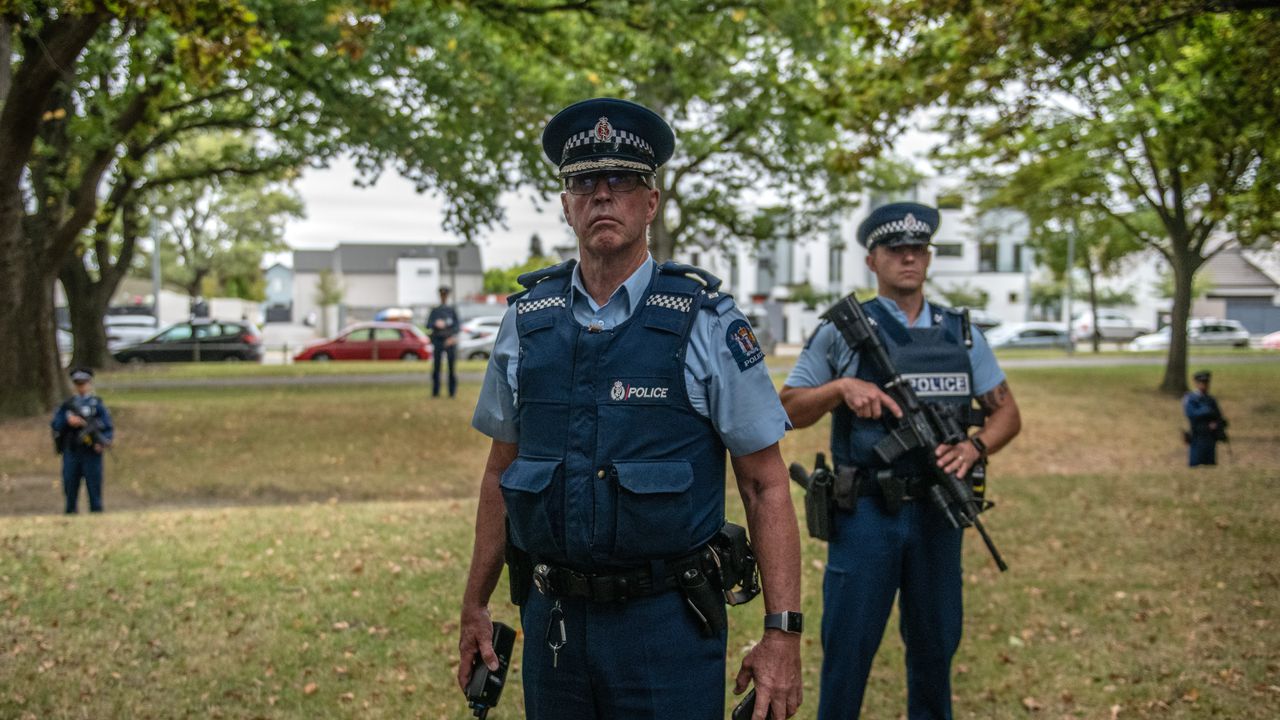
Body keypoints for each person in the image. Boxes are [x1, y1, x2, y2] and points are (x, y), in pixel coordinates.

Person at [457, 97, 804, 720]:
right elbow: (499, 474)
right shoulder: (525, 325)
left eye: (622, 180)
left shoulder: (706, 323)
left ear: (651, 202)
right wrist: (475, 605)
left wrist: (782, 633)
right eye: (583, 181)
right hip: (556, 626)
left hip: (668, 628)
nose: (601, 195)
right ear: (566, 205)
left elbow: (765, 483)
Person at [780, 202, 1022, 720]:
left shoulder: (962, 333)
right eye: (895, 250)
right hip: (866, 514)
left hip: (938, 514)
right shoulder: (841, 331)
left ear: (929, 258)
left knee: (936, 647)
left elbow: (1006, 414)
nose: (908, 258)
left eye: (918, 249)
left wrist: (974, 447)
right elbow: (789, 408)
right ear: (872, 261)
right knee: (847, 652)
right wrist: (840, 388)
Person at [50, 367, 114, 514]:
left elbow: (107, 427)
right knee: (70, 484)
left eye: (83, 383)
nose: (81, 386)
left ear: (89, 383)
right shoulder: (67, 405)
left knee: (94, 485)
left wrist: (103, 441)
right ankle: (71, 511)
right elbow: (56, 425)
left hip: (91, 451)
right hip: (72, 450)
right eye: (77, 383)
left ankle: (96, 512)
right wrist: (68, 421)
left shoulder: (96, 405)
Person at [1183, 370, 1227, 467]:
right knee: (1195, 464)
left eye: (1206, 383)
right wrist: (1206, 410)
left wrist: (1217, 424)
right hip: (1197, 436)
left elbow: (1218, 416)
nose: (1204, 385)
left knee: (1210, 464)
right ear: (1196, 383)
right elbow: (1191, 414)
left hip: (1210, 436)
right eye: (1201, 383)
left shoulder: (1211, 399)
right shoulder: (1191, 398)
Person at [427, 286, 460, 398]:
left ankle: (452, 392)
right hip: (438, 341)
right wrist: (435, 324)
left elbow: (457, 326)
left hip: (449, 341)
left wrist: (452, 337)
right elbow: (428, 324)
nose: (443, 297)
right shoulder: (435, 311)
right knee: (436, 368)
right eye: (442, 295)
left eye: (445, 295)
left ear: (447, 296)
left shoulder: (451, 310)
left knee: (451, 368)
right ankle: (435, 392)